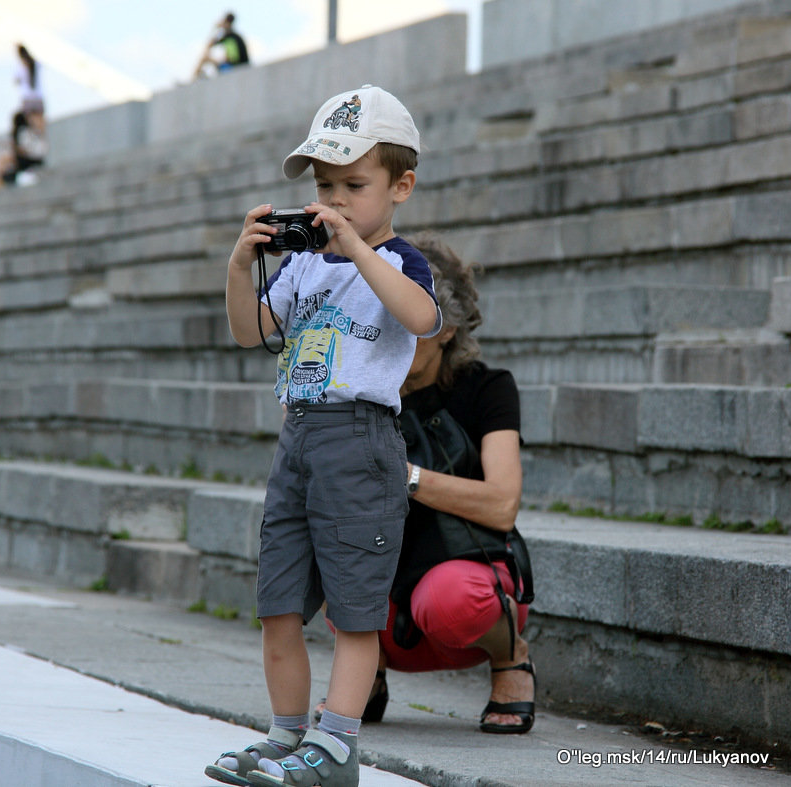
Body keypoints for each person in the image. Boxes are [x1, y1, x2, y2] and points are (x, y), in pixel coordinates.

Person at [206, 85, 441, 787]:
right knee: (277, 600)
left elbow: (423, 318)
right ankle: (286, 734)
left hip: (361, 441)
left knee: (355, 608)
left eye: (354, 186)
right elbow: (253, 332)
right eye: (324, 185)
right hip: (300, 437)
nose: (334, 201)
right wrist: (240, 266)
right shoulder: (303, 262)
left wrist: (353, 248)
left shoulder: (399, 262)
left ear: (401, 186)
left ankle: (337, 745)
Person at [315, 233, 535, 736]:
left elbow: (502, 505)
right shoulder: (356, 387)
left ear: (446, 328)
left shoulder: (487, 388)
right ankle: (363, 674)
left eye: (409, 317)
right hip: (385, 600)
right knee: (314, 539)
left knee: (449, 599)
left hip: (464, 587)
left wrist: (405, 477)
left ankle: (511, 659)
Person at [0, 111, 47, 187]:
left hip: (31, 160)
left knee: (4, 159)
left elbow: (25, 150)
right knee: (4, 160)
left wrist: (12, 147)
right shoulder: (27, 132)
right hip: (30, 159)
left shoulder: (24, 132)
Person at [192, 12, 249, 80]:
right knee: (206, 58)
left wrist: (216, 29)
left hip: (235, 68)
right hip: (236, 67)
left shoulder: (231, 38)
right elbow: (211, 44)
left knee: (205, 59)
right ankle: (195, 77)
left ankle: (193, 79)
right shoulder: (230, 36)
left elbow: (233, 58)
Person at [15, 44, 45, 135]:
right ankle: (41, 139)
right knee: (40, 123)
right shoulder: (35, 63)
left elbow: (17, 81)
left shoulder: (21, 67)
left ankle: (34, 140)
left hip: (28, 98)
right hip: (38, 97)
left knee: (30, 124)